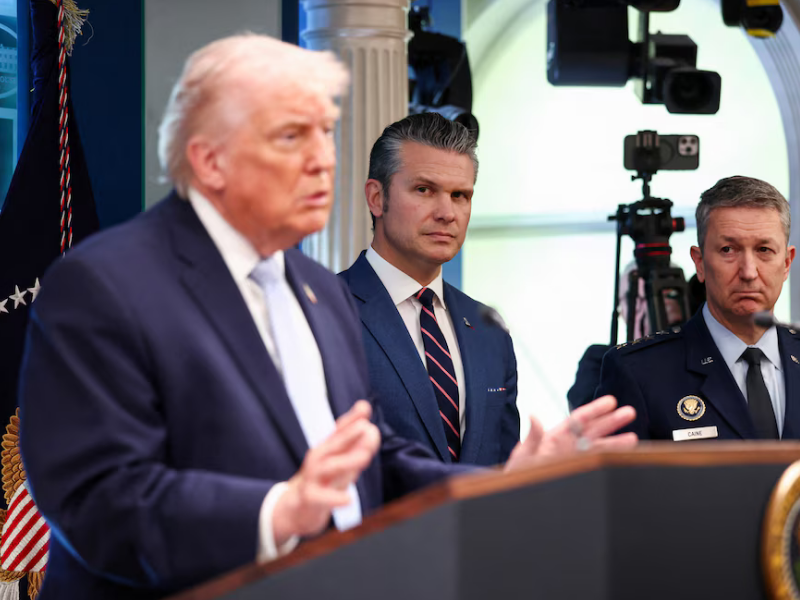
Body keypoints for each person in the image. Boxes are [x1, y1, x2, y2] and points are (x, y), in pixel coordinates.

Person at [19, 35, 637, 600]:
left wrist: (494, 487)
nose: (322, 160)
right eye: (293, 136)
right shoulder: (103, 284)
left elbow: (371, 456)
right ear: (210, 160)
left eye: (324, 134)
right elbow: (95, 498)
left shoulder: (315, 290)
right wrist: (277, 513)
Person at [339, 113, 518, 465]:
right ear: (376, 198)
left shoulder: (490, 330)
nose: (447, 213)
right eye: (424, 190)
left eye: (460, 195)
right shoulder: (325, 312)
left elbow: (506, 469)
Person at [596, 176, 800, 441]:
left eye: (764, 249)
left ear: (786, 263)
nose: (749, 272)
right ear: (700, 263)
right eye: (728, 249)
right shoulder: (639, 373)